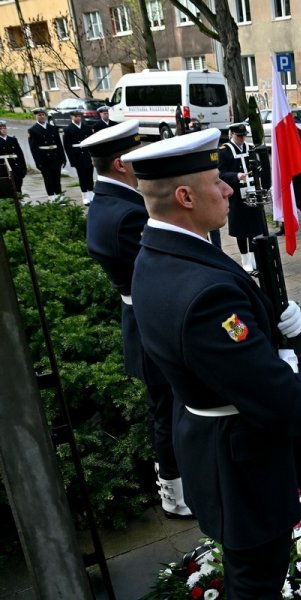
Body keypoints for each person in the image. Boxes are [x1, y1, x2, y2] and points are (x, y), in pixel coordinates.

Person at [122, 129, 301, 599]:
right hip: (242, 467)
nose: (229, 189)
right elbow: (275, 395)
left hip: (210, 443)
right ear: (185, 196)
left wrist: (273, 333)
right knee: (255, 579)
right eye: (217, 180)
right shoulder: (204, 294)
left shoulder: (157, 252)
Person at [81, 120, 193, 519]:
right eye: (134, 157)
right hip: (153, 322)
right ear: (119, 164)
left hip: (142, 318)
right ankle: (177, 496)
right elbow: (161, 269)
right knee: (169, 410)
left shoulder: (108, 203)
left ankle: (177, 489)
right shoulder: (127, 214)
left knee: (166, 407)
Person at [218, 122, 268, 273]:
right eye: (238, 136)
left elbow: (257, 165)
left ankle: (253, 258)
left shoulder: (250, 148)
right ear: (231, 135)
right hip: (235, 194)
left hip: (252, 191)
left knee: (253, 227)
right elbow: (220, 173)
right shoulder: (224, 151)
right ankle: (245, 259)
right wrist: (236, 176)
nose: (241, 139)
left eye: (243, 136)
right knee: (240, 228)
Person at [28, 107, 66, 200]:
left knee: (57, 178)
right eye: (39, 115)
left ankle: (59, 197)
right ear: (35, 117)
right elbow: (34, 149)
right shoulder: (33, 130)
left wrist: (63, 157)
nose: (42, 117)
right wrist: (38, 162)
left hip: (55, 157)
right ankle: (52, 198)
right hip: (44, 158)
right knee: (48, 179)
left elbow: (59, 144)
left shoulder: (53, 128)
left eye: (43, 115)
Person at [62, 110, 96, 205]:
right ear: (71, 117)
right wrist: (72, 160)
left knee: (89, 175)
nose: (77, 118)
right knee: (82, 177)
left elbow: (91, 142)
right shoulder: (68, 129)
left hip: (87, 155)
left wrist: (93, 155)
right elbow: (67, 147)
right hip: (77, 155)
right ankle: (85, 196)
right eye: (75, 116)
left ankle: (91, 194)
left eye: (79, 116)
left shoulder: (87, 128)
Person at [0, 120, 27, 193]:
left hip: (16, 167)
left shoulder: (13, 140)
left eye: (4, 128)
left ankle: (19, 202)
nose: (3, 130)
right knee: (7, 188)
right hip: (4, 168)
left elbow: (20, 154)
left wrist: (24, 168)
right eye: (1, 128)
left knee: (18, 186)